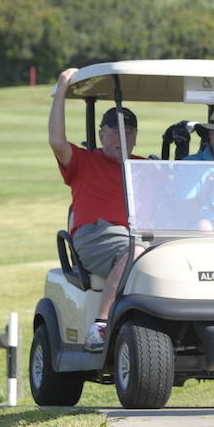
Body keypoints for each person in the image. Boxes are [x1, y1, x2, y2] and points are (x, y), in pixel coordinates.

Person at [48, 67, 145, 352]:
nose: (121, 137)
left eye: (128, 131)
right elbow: (56, 141)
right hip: (95, 234)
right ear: (102, 134)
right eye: (114, 130)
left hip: (135, 235)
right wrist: (62, 89)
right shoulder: (83, 161)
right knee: (134, 253)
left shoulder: (143, 167)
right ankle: (100, 323)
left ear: (136, 136)